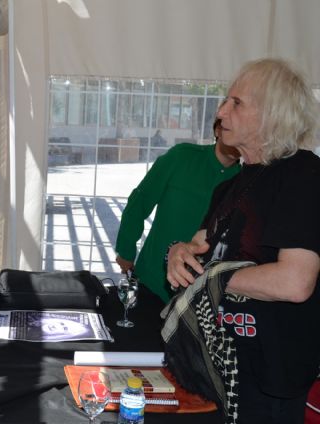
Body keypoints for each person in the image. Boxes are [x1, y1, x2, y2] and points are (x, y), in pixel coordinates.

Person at [167, 58, 320, 424]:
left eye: (236, 103)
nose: (221, 112)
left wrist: (212, 277)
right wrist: (176, 252)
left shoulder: (303, 175)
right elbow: (197, 251)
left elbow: (295, 282)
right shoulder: (228, 186)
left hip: (270, 378)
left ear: (271, 114)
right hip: (218, 366)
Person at [115, 119, 240, 302]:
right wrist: (126, 250)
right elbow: (140, 201)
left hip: (200, 296)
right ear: (217, 130)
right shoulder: (182, 157)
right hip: (152, 281)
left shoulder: (245, 182)